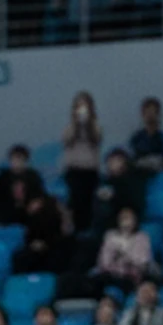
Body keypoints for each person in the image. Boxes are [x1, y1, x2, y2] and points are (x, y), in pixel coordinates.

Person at [62, 91, 102, 232]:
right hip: (74, 170)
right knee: (76, 198)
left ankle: (87, 230)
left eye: (85, 105)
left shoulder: (96, 126)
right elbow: (67, 139)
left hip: (91, 171)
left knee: (90, 200)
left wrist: (89, 123)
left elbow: (96, 138)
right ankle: (77, 229)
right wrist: (76, 122)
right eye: (79, 105)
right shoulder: (69, 127)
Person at [0, 145, 46, 227]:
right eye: (14, 159)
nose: (17, 162)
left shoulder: (33, 176)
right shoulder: (3, 177)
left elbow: (40, 194)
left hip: (28, 210)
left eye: (20, 159)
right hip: (8, 210)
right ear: (10, 160)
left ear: (26, 161)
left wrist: (36, 203)